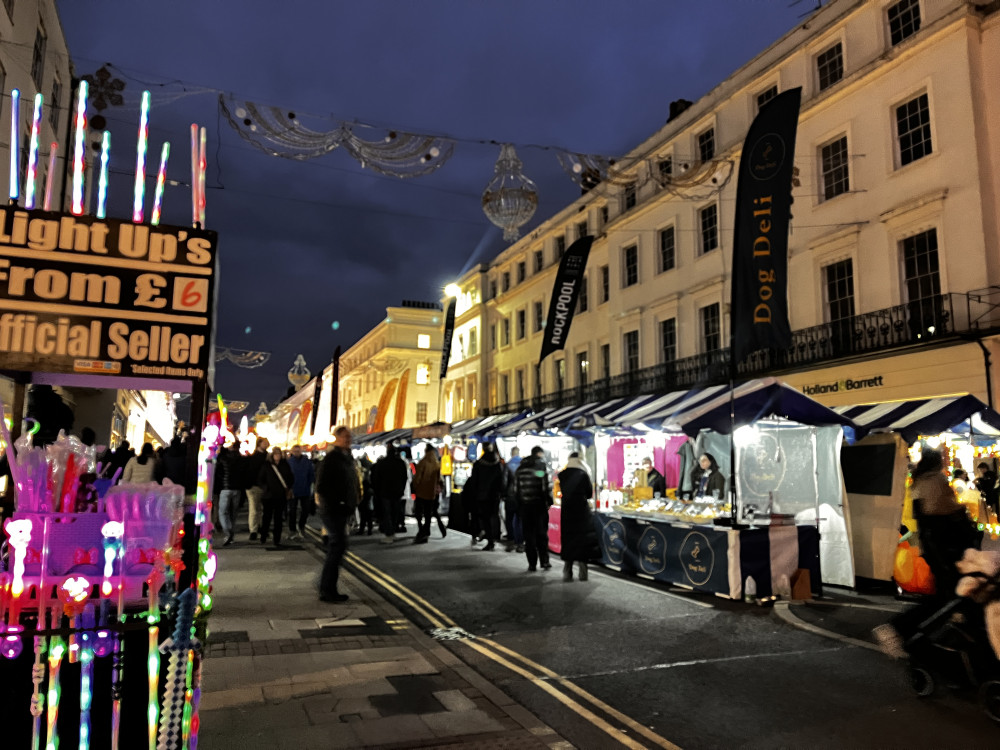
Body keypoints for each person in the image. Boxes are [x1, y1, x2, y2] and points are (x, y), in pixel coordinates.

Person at [875, 448, 981, 659]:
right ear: (936, 461)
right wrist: (960, 515)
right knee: (951, 595)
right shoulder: (935, 480)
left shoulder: (920, 481)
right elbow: (942, 512)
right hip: (944, 547)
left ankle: (910, 633)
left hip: (935, 545)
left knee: (951, 595)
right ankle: (898, 628)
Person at [315, 426, 361, 603]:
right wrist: (340, 503)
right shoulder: (332, 459)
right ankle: (327, 590)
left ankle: (328, 588)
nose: (348, 439)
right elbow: (322, 487)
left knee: (337, 548)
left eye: (349, 436)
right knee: (337, 547)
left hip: (341, 509)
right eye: (344, 437)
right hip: (334, 510)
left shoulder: (346, 457)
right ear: (336, 439)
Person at [515, 446, 553, 571]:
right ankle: (545, 561)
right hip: (539, 505)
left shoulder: (520, 469)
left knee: (529, 536)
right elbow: (545, 486)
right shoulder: (541, 467)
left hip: (525, 507)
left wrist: (520, 505)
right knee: (541, 534)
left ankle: (532, 563)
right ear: (539, 454)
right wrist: (549, 500)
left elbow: (516, 489)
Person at [559, 452, 595, 582]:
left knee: (568, 539)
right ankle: (583, 573)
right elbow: (590, 494)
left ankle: (567, 572)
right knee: (582, 539)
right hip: (581, 511)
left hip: (567, 511)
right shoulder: (583, 474)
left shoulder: (562, 474)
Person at [464, 442, 505, 550]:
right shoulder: (498, 464)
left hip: (482, 496)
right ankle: (495, 537)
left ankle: (490, 540)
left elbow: (474, 482)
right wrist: (501, 493)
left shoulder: (478, 464)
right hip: (495, 496)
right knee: (494, 516)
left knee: (485, 518)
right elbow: (502, 481)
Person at [371, 443, 408, 543]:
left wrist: (377, 491)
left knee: (387, 513)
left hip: (384, 492)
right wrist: (402, 489)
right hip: (397, 492)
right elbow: (404, 478)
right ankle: (393, 532)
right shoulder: (400, 463)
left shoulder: (382, 463)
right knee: (395, 512)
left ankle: (389, 533)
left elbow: (376, 479)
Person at [258, 446, 294, 547]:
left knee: (278, 518)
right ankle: (263, 536)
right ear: (272, 455)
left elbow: (291, 477)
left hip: (281, 495)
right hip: (268, 496)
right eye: (275, 454)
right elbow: (260, 479)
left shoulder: (285, 465)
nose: (277, 455)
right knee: (267, 517)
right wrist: (266, 488)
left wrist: (288, 487)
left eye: (279, 453)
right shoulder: (266, 465)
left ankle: (276, 539)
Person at [412, 444, 443, 544]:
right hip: (432, 493)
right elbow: (439, 479)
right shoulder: (436, 463)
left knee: (418, 513)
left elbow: (418, 478)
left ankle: (422, 531)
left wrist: (415, 487)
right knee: (428, 514)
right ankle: (426, 531)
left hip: (421, 492)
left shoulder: (423, 462)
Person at [286, 444, 316, 541]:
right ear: (292, 452)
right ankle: (292, 530)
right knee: (292, 511)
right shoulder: (289, 462)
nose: (296, 453)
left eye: (298, 451)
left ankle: (301, 526)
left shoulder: (307, 462)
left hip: (305, 489)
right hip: (293, 490)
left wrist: (309, 484)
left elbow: (311, 474)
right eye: (295, 451)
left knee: (306, 510)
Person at [215, 442, 242, 545]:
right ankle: (232, 535)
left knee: (223, 512)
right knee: (233, 512)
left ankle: (228, 531)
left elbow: (219, 473)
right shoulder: (239, 458)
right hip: (237, 488)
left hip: (225, 488)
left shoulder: (222, 459)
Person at [244, 436, 270, 541]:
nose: (267, 444)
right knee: (254, 509)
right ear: (259, 444)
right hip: (253, 486)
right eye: (265, 442)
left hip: (265, 487)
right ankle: (253, 530)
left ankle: (259, 527)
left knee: (261, 509)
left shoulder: (268, 456)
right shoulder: (253, 456)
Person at [357, 454, 376, 535]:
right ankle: (369, 529)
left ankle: (362, 529)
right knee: (368, 513)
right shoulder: (370, 466)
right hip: (369, 491)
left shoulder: (361, 471)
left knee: (363, 512)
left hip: (363, 491)